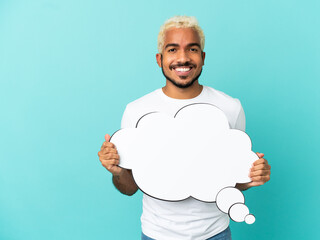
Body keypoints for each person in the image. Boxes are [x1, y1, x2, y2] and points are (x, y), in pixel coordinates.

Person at [98, 16, 271, 240]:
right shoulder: (136, 111)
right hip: (156, 235)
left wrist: (252, 175)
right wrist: (117, 170)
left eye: (192, 49)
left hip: (215, 234)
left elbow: (231, 179)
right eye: (172, 49)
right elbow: (130, 187)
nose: (182, 58)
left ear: (203, 57)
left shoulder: (230, 107)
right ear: (159, 59)